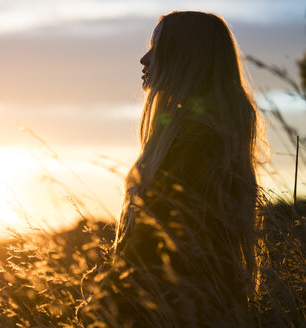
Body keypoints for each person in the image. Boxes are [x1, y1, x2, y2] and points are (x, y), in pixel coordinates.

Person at [95, 11, 266, 327]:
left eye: (156, 47)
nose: (144, 59)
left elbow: (154, 242)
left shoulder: (197, 142)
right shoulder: (204, 137)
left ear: (186, 58)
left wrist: (108, 295)